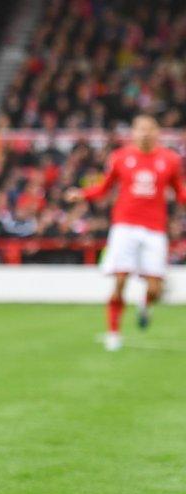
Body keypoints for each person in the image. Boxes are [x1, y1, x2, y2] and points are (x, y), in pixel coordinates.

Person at [66, 114, 186, 351]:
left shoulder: (170, 160)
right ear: (133, 132)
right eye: (140, 129)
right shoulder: (120, 158)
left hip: (154, 228)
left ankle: (145, 304)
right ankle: (113, 332)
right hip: (125, 225)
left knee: (154, 287)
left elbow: (179, 191)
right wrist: (82, 194)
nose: (145, 133)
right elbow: (104, 187)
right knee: (120, 279)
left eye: (149, 129)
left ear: (157, 133)